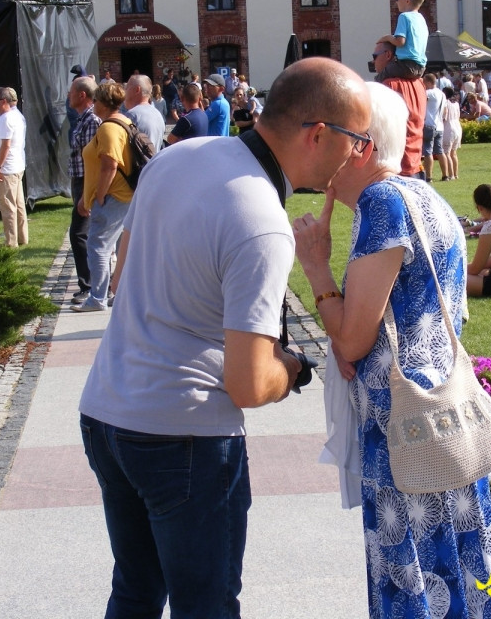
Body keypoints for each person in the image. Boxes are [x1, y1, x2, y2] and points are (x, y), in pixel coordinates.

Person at [78, 57, 371, 618]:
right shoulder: (262, 219)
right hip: (183, 436)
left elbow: (125, 266)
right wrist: (292, 367)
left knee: (135, 592)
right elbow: (247, 383)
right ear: (318, 134)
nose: (359, 153)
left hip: (108, 410)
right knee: (206, 606)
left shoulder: (177, 156)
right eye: (357, 140)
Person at [291, 81, 491, 619]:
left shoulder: (381, 204)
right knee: (460, 551)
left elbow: (354, 338)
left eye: (326, 137)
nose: (313, 147)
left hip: (403, 424)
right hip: (445, 411)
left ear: (360, 145)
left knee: (413, 565)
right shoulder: (421, 193)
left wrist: (316, 265)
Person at [72, 82, 136, 313]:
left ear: (102, 103)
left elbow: (110, 165)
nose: (93, 105)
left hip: (113, 197)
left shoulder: (109, 127)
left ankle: (97, 298)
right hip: (123, 196)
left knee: (98, 246)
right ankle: (121, 294)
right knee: (119, 248)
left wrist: (98, 196)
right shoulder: (124, 121)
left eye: (96, 101)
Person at [66, 76, 101, 303]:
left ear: (82, 95)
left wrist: (86, 196)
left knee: (80, 234)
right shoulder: (82, 119)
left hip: (86, 182)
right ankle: (90, 285)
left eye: (71, 92)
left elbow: (93, 161)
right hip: (79, 182)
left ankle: (89, 286)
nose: (68, 96)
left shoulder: (92, 121)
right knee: (82, 234)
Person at [371, 40, 426, 178]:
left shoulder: (388, 85)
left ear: (388, 54)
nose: (373, 62)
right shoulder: (419, 84)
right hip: (416, 161)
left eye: (374, 56)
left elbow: (378, 127)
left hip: (396, 165)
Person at [0, 87, 28, 248]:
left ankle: (11, 242)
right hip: (15, 166)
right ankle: (22, 237)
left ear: (3, 101)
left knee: (8, 206)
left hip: (7, 169)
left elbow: (6, 145)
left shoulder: (6, 118)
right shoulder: (15, 116)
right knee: (18, 205)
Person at [376, 0, 429, 81]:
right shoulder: (421, 19)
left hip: (406, 65)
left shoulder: (404, 16)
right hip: (421, 67)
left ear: (407, 1)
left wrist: (387, 37)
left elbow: (400, 41)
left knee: (380, 77)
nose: (396, 1)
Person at [124, 74, 166, 151]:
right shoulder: (157, 114)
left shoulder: (132, 115)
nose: (124, 91)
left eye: (127, 88)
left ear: (137, 89)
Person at [421, 73, 448, 181]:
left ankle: (429, 176)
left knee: (427, 151)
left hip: (429, 124)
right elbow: (445, 110)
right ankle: (445, 175)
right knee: (440, 151)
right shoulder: (442, 94)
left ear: (428, 82)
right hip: (439, 126)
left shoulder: (429, 93)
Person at [441, 86, 462, 181]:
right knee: (454, 153)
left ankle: (451, 174)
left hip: (448, 127)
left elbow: (444, 116)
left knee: (447, 153)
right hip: (457, 126)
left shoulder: (446, 103)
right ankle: (456, 174)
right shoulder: (456, 103)